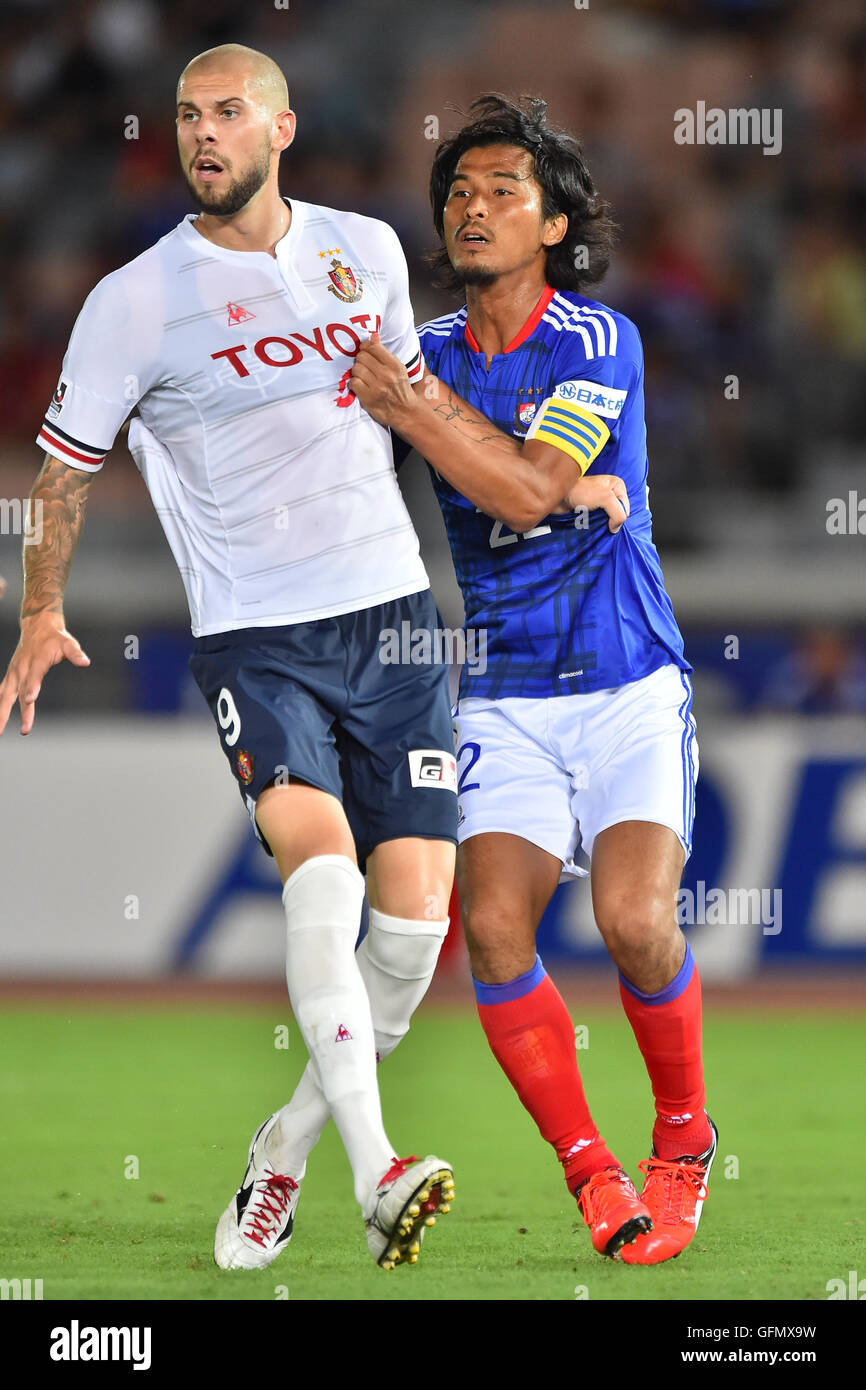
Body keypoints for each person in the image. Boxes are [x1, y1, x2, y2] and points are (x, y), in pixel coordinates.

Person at [0, 43, 467, 1274]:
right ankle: (378, 1171)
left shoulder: (364, 250)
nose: (200, 133)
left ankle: (286, 1148)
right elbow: (63, 470)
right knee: (324, 881)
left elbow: (409, 408)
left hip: (393, 620)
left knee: (414, 938)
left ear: (282, 127)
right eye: (184, 115)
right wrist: (40, 606)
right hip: (259, 634)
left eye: (225, 112)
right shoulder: (134, 301)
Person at [347, 95, 715, 1266]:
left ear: (553, 223)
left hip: (622, 680)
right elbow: (332, 448)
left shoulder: (594, 338)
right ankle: (593, 1174)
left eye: (502, 189)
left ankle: (680, 1135)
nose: (471, 206)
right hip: (501, 692)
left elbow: (518, 489)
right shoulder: (430, 351)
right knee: (493, 931)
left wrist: (421, 413)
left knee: (634, 923)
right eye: (456, 191)